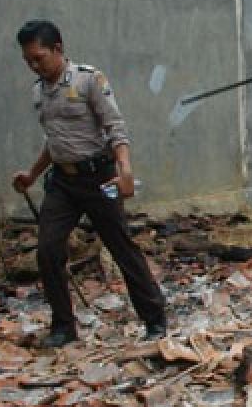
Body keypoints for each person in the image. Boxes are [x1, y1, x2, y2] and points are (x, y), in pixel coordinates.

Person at [11, 20, 167, 348]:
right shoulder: (38, 90)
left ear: (58, 49)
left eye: (39, 58)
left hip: (100, 177)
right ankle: (63, 328)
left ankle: (154, 318)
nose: (34, 66)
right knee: (48, 251)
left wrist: (124, 170)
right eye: (28, 61)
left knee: (121, 247)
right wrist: (32, 175)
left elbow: (115, 127)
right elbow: (55, 142)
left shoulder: (88, 79)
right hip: (63, 183)